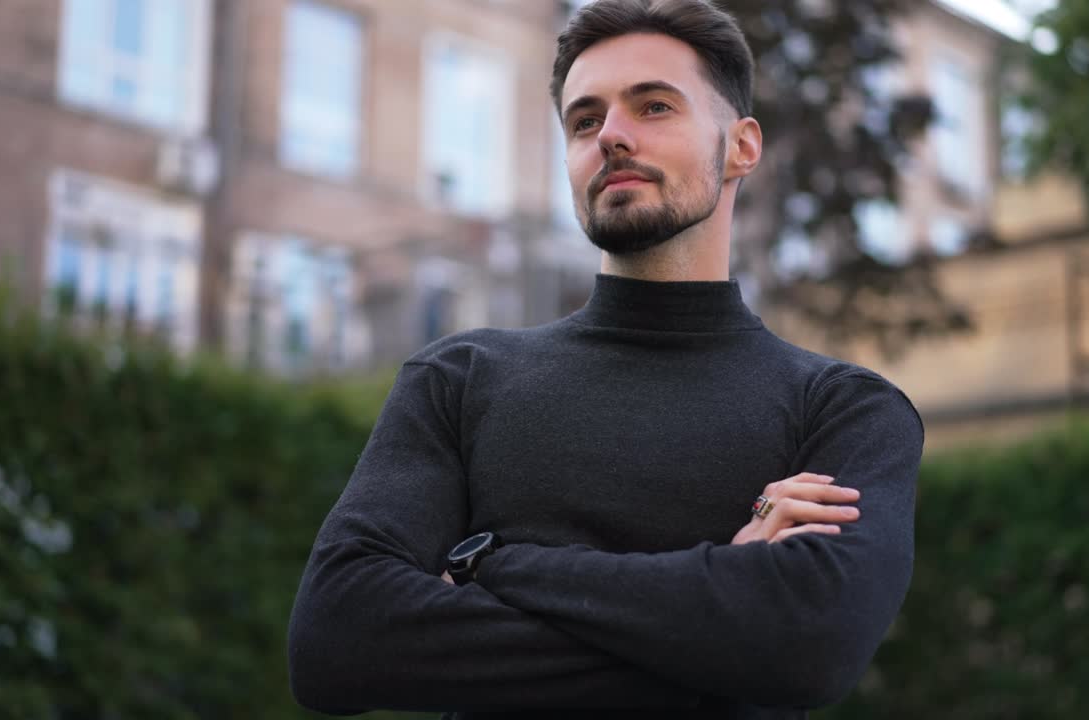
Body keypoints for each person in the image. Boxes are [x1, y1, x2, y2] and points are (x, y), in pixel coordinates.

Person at [287, 0, 923, 717]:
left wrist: (491, 562)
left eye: (653, 107)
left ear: (742, 146)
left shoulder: (842, 407)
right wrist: (720, 611)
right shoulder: (460, 380)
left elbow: (809, 644)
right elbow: (336, 639)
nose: (612, 136)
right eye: (584, 121)